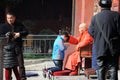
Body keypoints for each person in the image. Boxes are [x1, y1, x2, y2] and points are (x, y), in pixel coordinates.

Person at [88, 0, 120, 80]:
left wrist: (99, 37)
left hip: (100, 48)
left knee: (101, 68)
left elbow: (91, 31)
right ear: (110, 6)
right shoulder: (116, 15)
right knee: (113, 68)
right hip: (113, 47)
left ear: (100, 6)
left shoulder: (95, 18)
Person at [0, 11, 28, 80]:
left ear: (14, 18)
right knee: (9, 66)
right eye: (8, 18)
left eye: (11, 18)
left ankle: (22, 78)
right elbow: (0, 35)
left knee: (21, 64)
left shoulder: (19, 24)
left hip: (18, 46)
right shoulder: (3, 26)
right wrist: (6, 35)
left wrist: (19, 34)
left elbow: (26, 32)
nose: (10, 20)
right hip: (8, 49)